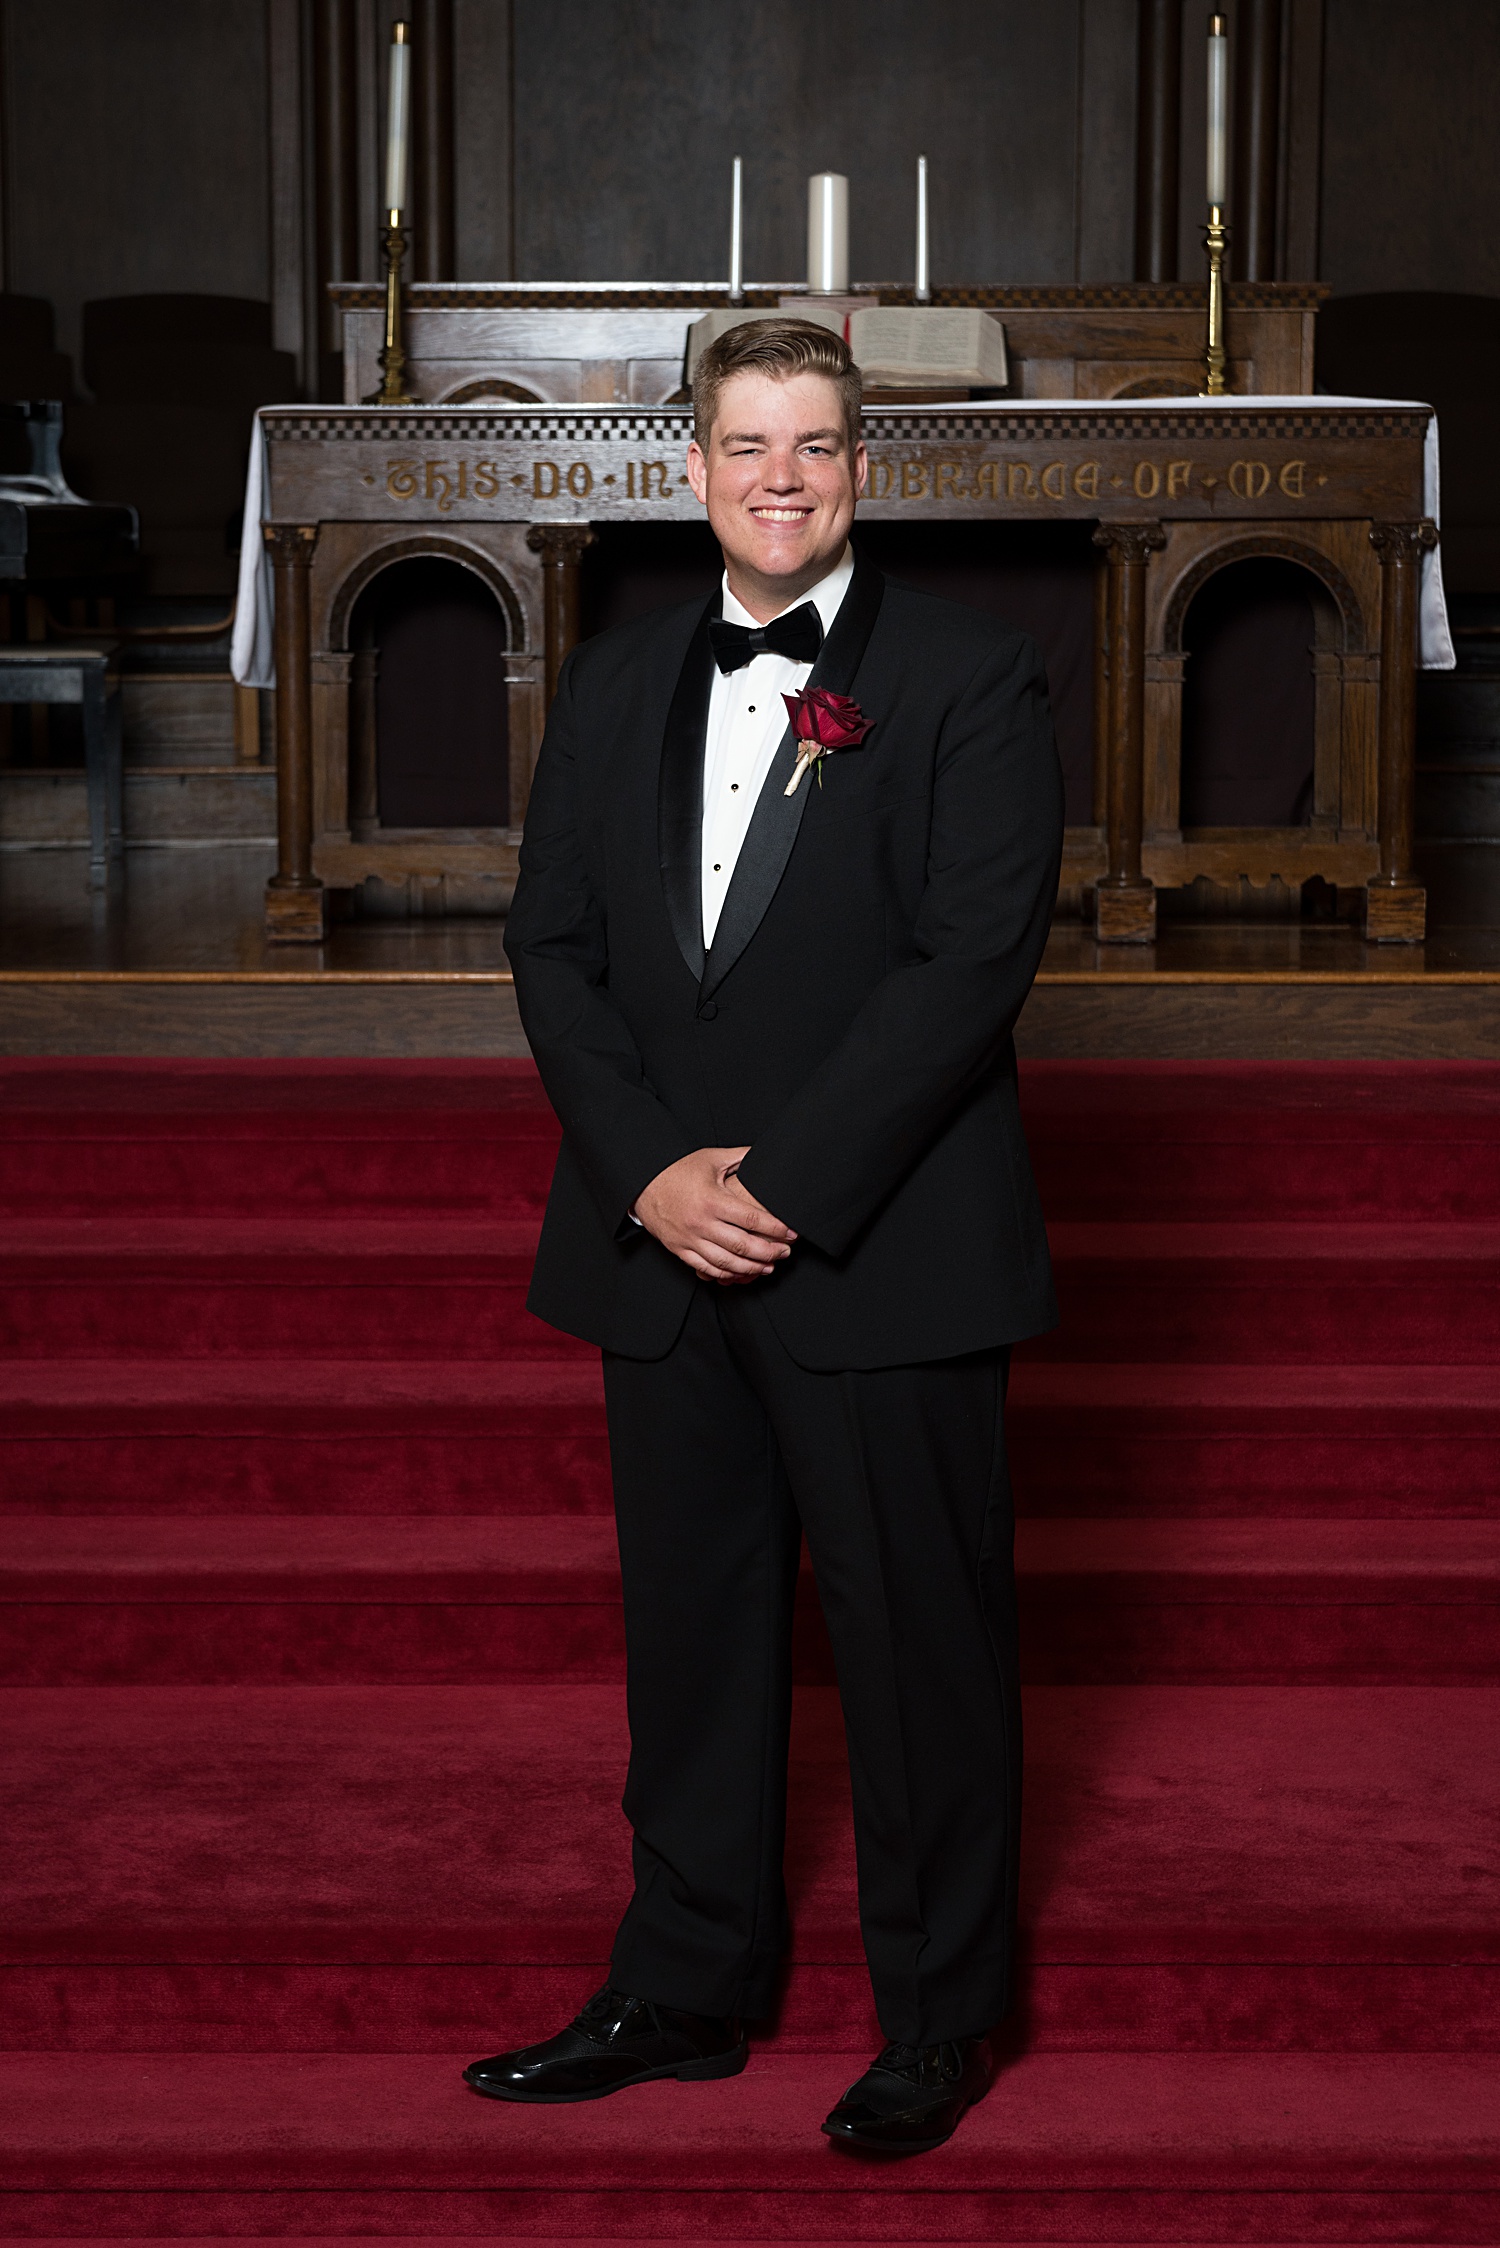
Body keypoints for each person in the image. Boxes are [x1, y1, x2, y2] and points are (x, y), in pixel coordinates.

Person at [466, 317, 1064, 2154]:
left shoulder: (975, 676)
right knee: (695, 1635)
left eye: (814, 444)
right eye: (748, 446)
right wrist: (652, 1175)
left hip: (881, 1246)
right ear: (697, 468)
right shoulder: (622, 673)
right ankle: (686, 1983)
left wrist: (784, 1187)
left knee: (920, 1644)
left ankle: (943, 2017)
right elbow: (552, 948)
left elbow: (972, 966)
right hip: (660, 1246)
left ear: (861, 465)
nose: (781, 477)